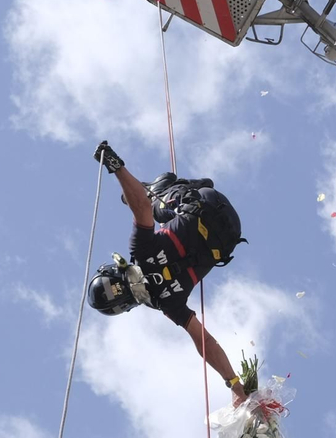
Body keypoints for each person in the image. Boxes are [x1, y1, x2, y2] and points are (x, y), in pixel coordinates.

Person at [86, 141, 249, 405]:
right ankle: (161, 187)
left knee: (152, 210)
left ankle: (164, 190)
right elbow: (139, 207)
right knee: (153, 205)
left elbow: (204, 341)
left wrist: (233, 384)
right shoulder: (141, 250)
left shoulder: (166, 303)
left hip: (230, 235)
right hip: (207, 202)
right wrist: (116, 167)